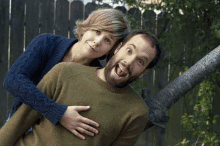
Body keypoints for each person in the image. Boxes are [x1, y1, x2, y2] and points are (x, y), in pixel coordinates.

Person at [0, 30, 161, 146]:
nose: (129, 61)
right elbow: (19, 121)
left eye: (140, 61)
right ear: (117, 49)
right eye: (128, 50)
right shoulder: (65, 71)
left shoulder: (137, 112)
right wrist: (58, 112)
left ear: (143, 72)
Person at [3, 8, 130, 139]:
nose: (97, 41)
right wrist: (58, 113)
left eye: (107, 41)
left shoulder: (97, 75)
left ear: (111, 50)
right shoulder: (47, 43)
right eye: (97, 31)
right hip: (19, 124)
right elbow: (13, 80)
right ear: (87, 27)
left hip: (52, 137)